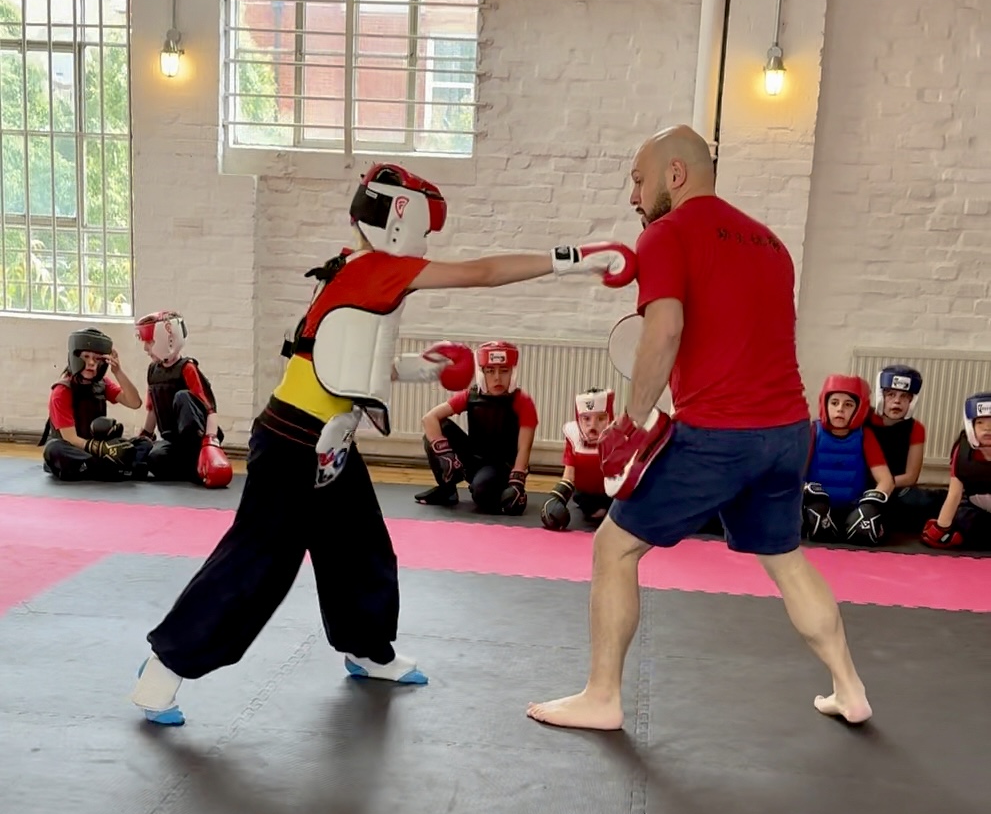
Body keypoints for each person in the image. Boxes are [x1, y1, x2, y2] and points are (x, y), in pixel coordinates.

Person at [130, 162, 637, 726]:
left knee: (360, 548)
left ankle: (368, 650)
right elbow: (485, 272)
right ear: (401, 216)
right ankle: (163, 668)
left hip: (330, 442)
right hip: (293, 440)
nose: (428, 238)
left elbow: (345, 365)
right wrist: (577, 258)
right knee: (257, 565)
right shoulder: (375, 269)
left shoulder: (349, 268)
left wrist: (424, 369)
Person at [526, 125, 872, 732]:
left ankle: (602, 696)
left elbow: (664, 332)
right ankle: (850, 688)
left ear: (675, 174)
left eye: (639, 179)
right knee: (787, 559)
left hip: (719, 436)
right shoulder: (770, 243)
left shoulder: (664, 234)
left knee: (614, 546)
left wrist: (631, 423)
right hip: (790, 432)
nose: (633, 196)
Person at [415, 341, 539, 514]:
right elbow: (429, 418)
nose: (497, 377)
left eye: (504, 371)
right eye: (490, 371)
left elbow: (524, 448)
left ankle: (497, 491)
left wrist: (517, 482)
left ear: (513, 372)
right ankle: (447, 489)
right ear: (482, 373)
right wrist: (445, 455)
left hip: (501, 466)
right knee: (437, 429)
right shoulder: (471, 395)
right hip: (474, 459)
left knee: (482, 495)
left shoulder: (522, 401)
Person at [134, 309, 232, 488]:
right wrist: (144, 437)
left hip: (197, 437)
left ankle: (198, 457)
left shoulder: (187, 368)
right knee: (154, 459)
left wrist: (211, 442)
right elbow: (153, 409)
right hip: (173, 440)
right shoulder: (153, 371)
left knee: (182, 397)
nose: (146, 348)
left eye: (150, 342)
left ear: (167, 339)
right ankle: (192, 469)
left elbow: (209, 407)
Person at [40, 327, 147, 481]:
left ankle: (108, 468)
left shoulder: (101, 383)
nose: (91, 363)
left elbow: (134, 402)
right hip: (75, 449)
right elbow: (71, 439)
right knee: (53, 449)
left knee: (143, 444)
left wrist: (118, 372)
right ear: (75, 357)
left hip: (95, 449)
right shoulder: (62, 391)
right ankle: (113, 468)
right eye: (86, 357)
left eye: (97, 359)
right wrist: (102, 450)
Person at [802, 374, 895, 547]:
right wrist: (805, 489)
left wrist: (872, 500)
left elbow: (886, 480)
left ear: (859, 408)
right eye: (834, 402)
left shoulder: (865, 436)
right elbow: (795, 473)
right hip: (820, 505)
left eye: (848, 404)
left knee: (866, 527)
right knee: (816, 517)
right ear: (825, 404)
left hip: (853, 506)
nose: (840, 409)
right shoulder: (813, 432)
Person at [864, 365, 941, 533]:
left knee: (927, 502)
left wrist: (881, 488)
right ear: (880, 395)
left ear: (912, 401)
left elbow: (911, 476)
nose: (897, 401)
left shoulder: (916, 428)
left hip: (896, 488)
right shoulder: (863, 420)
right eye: (891, 394)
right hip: (861, 486)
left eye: (904, 396)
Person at [921, 393, 991, 550]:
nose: (988, 429)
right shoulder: (963, 451)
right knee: (962, 519)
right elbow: (954, 493)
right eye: (980, 422)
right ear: (970, 426)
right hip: (976, 507)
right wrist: (941, 528)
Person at [541, 387, 615, 530]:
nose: (592, 426)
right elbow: (569, 476)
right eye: (586, 418)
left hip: (613, 493)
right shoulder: (573, 436)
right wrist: (555, 499)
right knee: (596, 513)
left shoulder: (619, 435)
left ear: (610, 417)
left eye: (601, 418)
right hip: (585, 495)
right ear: (578, 417)